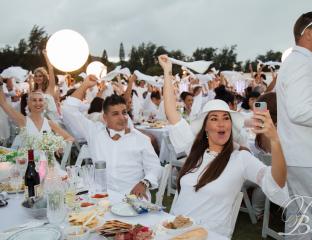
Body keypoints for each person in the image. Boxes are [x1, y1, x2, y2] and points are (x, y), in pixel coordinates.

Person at [158, 55, 288, 237]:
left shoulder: (241, 159)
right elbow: (172, 113)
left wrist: (275, 140)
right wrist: (167, 72)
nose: (221, 124)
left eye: (226, 118)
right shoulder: (194, 151)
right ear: (205, 128)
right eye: (214, 118)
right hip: (173, 232)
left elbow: (276, 182)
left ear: (231, 125)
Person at [62, 75, 162, 199]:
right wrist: (85, 85)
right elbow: (67, 109)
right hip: (101, 197)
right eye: (115, 114)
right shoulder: (94, 132)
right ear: (105, 118)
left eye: (124, 112)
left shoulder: (141, 139)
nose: (122, 117)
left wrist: (145, 182)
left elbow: (155, 167)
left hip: (133, 196)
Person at [276, 12, 312, 239]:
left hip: (296, 155)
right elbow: (300, 112)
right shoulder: (303, 62)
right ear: (308, 33)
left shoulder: (295, 61)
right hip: (305, 156)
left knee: (299, 220)